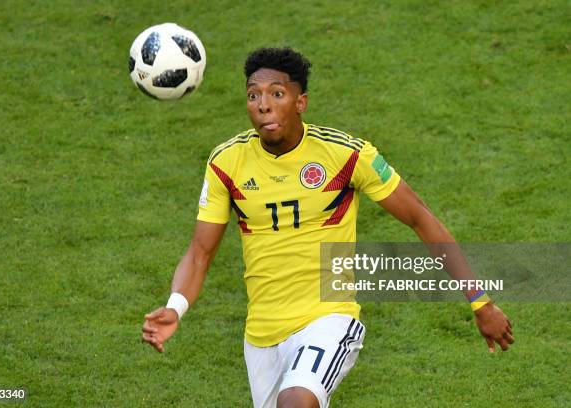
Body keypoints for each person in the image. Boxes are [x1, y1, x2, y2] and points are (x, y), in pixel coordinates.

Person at [142, 47, 514, 408]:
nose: (263, 105)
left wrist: (480, 303)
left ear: (300, 102)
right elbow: (200, 253)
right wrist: (175, 307)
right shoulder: (227, 162)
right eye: (253, 95)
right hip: (261, 337)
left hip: (328, 320)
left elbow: (421, 217)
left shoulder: (346, 155)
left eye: (277, 93)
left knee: (296, 402)